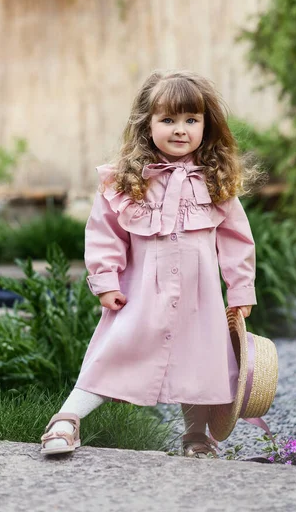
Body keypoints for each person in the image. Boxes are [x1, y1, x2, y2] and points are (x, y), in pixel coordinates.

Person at [40, 69, 261, 458]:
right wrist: (106, 280)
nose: (181, 129)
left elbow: (237, 241)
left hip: (199, 297)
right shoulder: (126, 181)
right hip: (141, 292)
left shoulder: (216, 183)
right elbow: (104, 232)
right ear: (147, 124)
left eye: (191, 120)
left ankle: (195, 436)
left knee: (200, 363)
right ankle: (67, 419)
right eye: (168, 119)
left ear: (206, 126)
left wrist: (240, 289)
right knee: (116, 351)